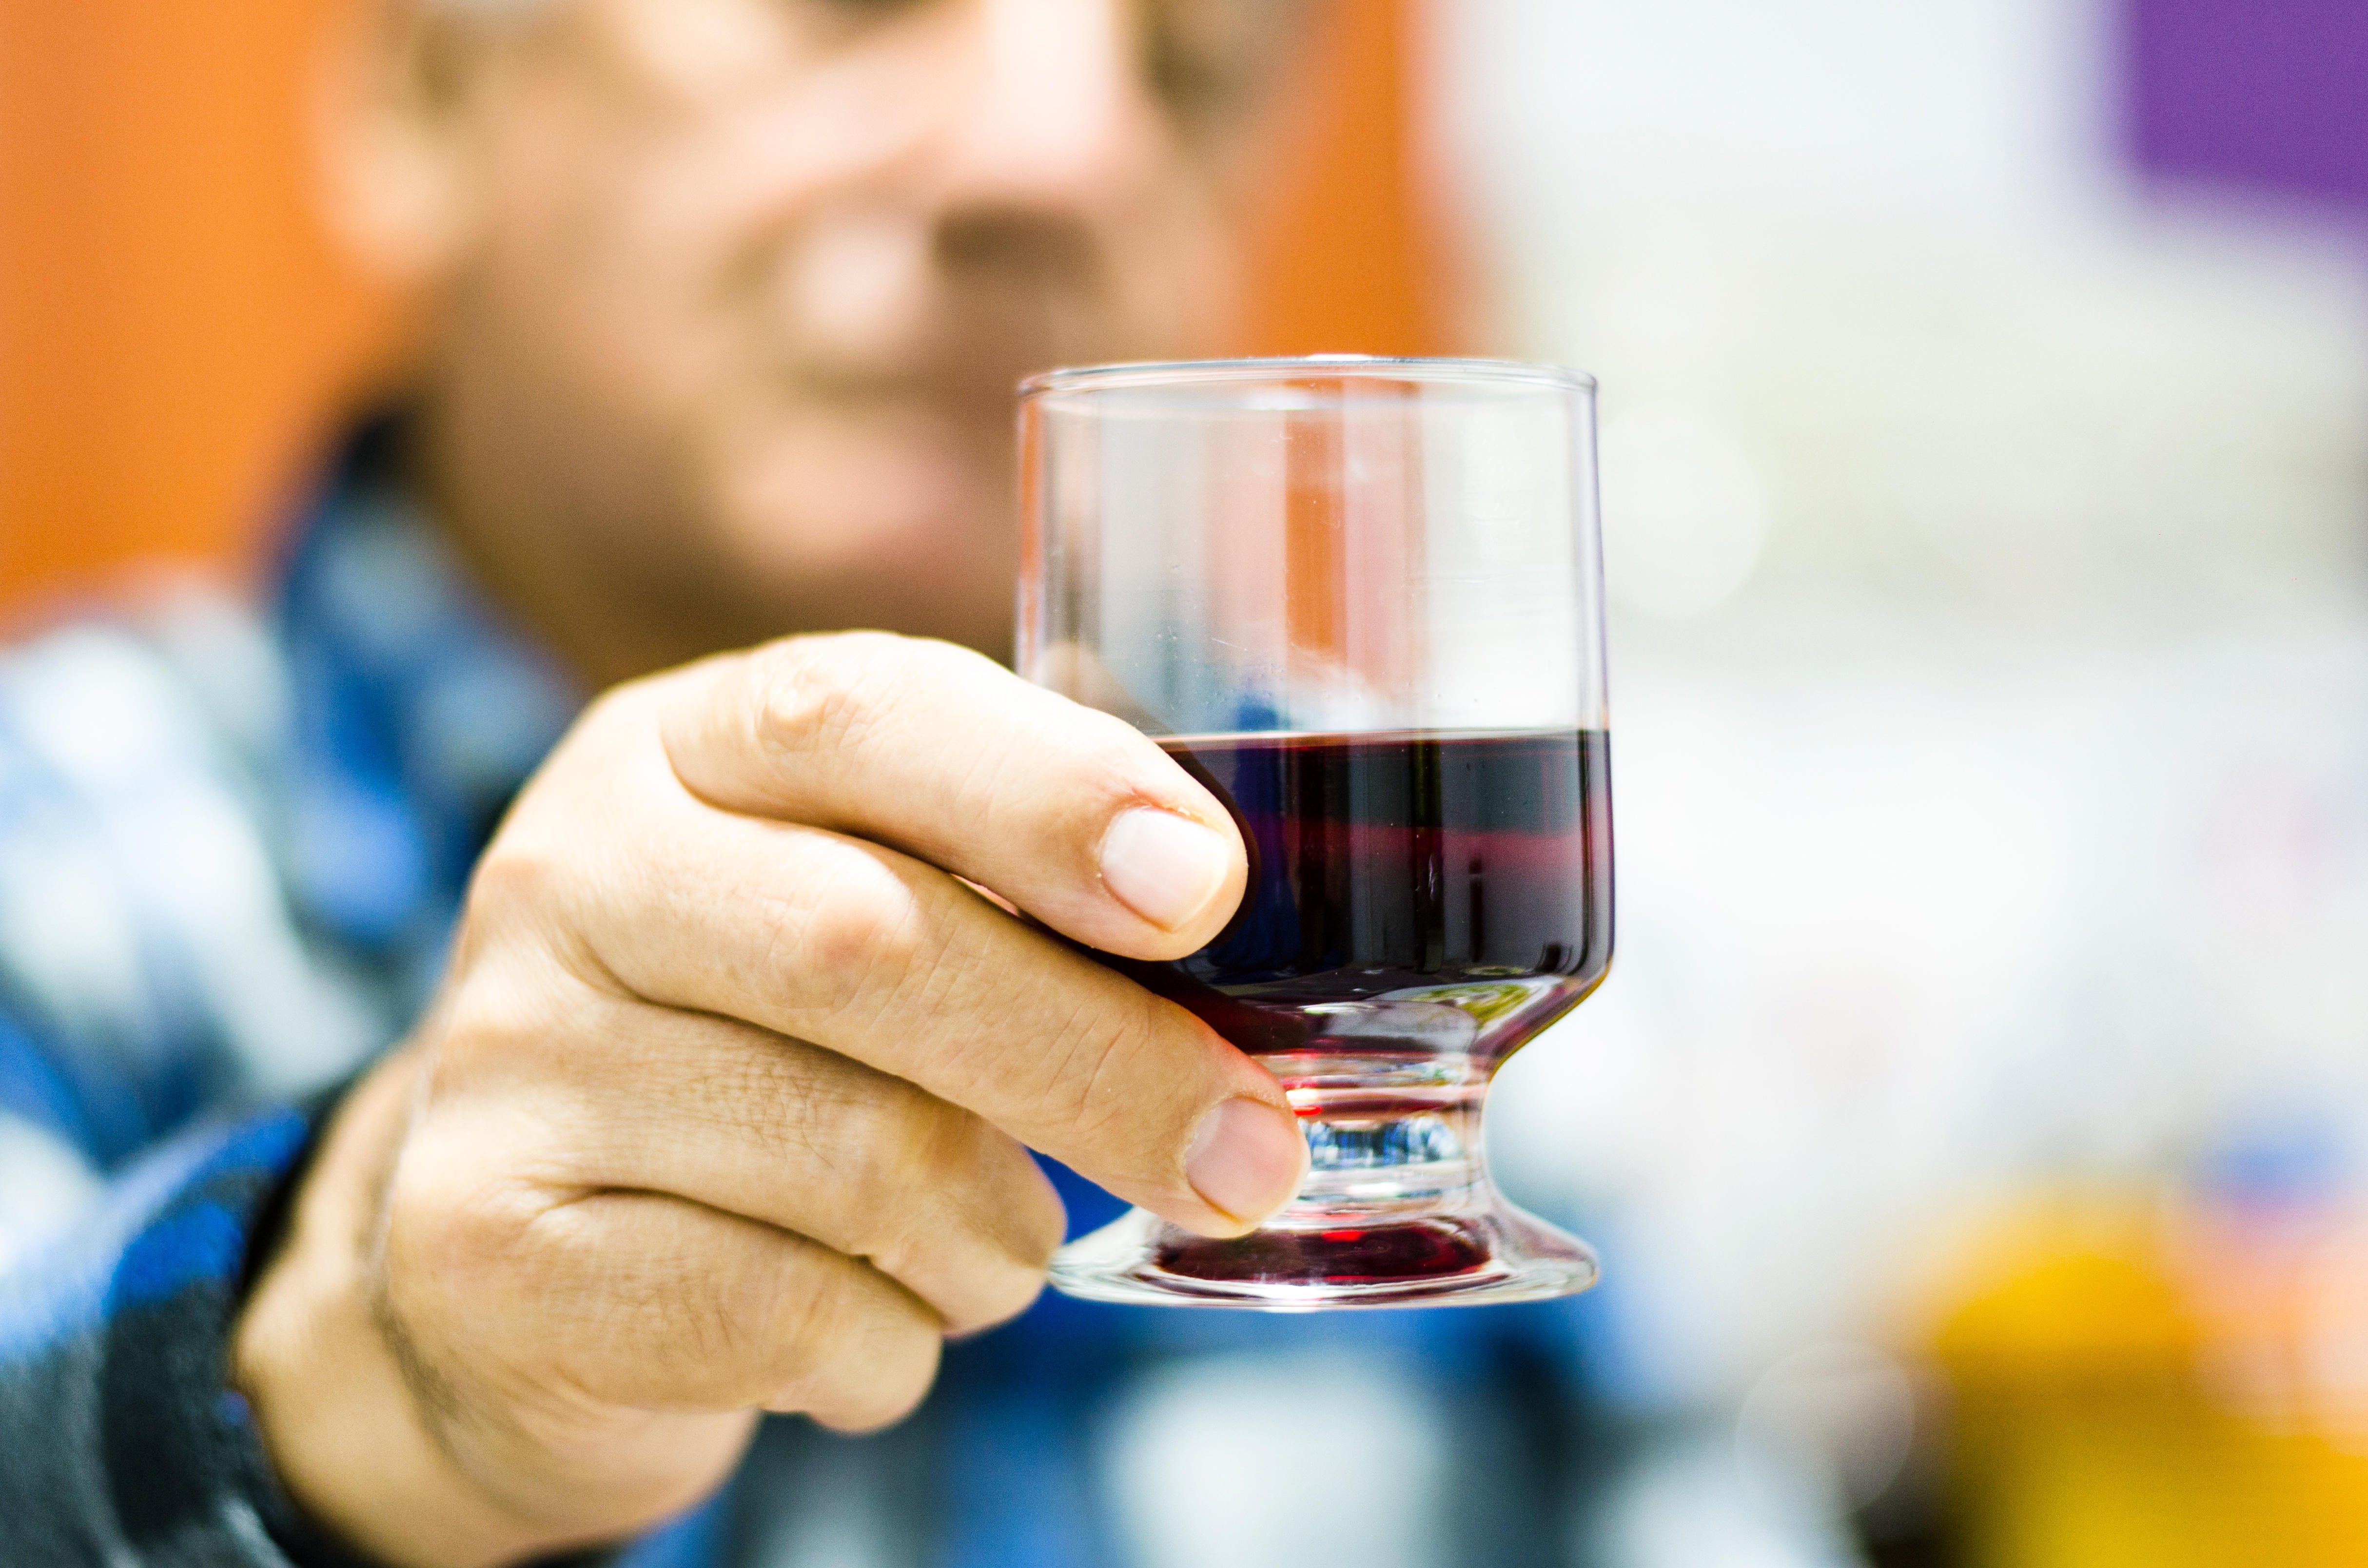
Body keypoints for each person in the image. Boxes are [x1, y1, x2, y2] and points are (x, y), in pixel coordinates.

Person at [0, 2, 1593, 1564]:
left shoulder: (1426, 955)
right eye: (857, 8)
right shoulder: (60, 852)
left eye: (1183, 73)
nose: (1064, 151)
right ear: (424, 99)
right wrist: (341, 1357)